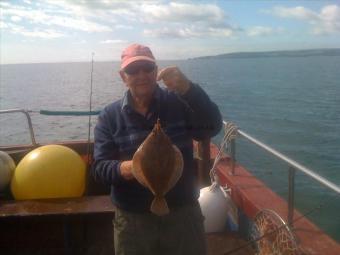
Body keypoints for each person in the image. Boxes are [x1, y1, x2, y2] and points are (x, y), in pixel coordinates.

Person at [92, 43, 222, 255]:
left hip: (182, 213)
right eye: (133, 70)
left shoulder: (179, 102)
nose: (141, 74)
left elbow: (211, 126)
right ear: (123, 76)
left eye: (147, 68)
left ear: (156, 71)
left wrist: (189, 89)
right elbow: (99, 168)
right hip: (133, 220)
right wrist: (131, 168)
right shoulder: (109, 116)